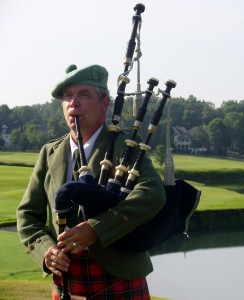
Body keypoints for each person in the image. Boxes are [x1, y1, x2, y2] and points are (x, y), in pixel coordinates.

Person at [17, 64, 166, 299]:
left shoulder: (124, 146)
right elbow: (27, 215)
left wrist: (96, 228)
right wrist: (47, 251)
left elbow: (152, 192)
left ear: (105, 104)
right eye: (67, 97)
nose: (73, 103)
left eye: (83, 95)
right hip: (66, 278)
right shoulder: (50, 152)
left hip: (118, 275)